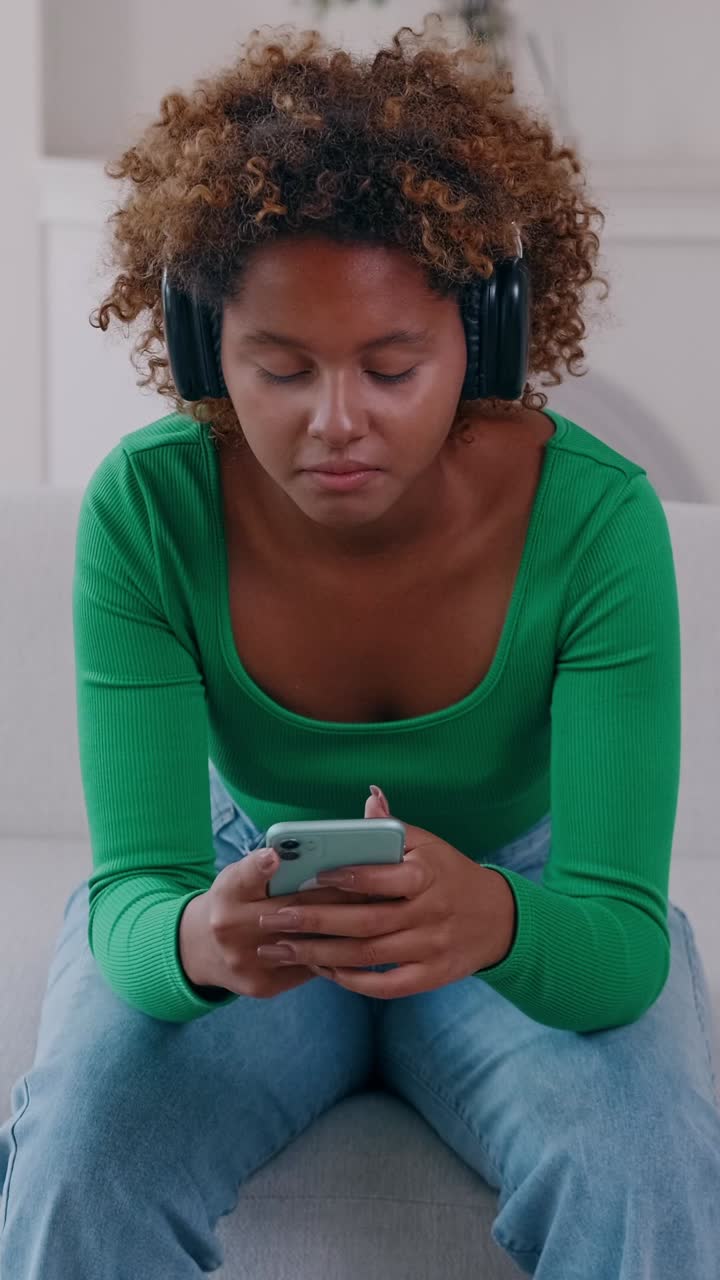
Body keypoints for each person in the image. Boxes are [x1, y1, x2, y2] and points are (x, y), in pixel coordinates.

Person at [2, 14, 719, 1278]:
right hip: (249, 893)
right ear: (202, 345)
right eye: (280, 368)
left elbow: (612, 946)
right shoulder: (152, 510)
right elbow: (132, 897)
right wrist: (194, 943)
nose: (337, 423)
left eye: (393, 367)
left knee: (642, 1148)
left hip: (520, 889)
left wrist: (489, 914)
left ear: (480, 343)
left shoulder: (598, 522)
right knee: (83, 1141)